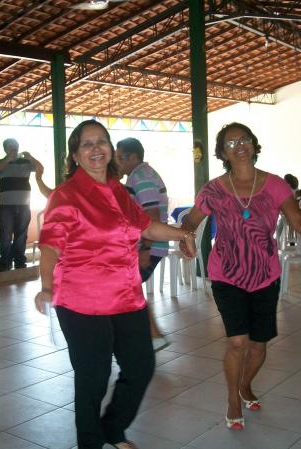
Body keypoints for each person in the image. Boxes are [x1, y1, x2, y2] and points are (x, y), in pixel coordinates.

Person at [34, 120, 196, 449]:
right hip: (82, 301)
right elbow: (50, 246)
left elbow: (146, 226)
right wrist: (47, 286)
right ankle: (92, 442)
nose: (96, 149)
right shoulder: (67, 195)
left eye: (101, 142)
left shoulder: (118, 191)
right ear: (76, 156)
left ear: (111, 149)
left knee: (140, 366)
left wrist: (182, 234)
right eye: (87, 144)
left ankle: (112, 428)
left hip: (125, 295)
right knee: (93, 379)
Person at [180, 123, 301, 430]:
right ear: (222, 153)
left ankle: (245, 384)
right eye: (230, 143)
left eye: (244, 139)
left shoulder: (276, 185)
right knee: (238, 342)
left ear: (254, 145)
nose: (239, 145)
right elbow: (191, 218)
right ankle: (232, 397)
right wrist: (183, 234)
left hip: (265, 274)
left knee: (258, 345)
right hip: (226, 273)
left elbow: (297, 219)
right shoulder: (212, 189)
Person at [115, 137, 170, 351]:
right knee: (130, 287)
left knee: (128, 287)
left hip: (150, 245)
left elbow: (151, 215)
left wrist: (145, 249)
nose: (117, 162)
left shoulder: (141, 177)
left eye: (120, 158)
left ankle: (151, 336)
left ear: (134, 157)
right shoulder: (138, 176)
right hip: (146, 244)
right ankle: (152, 336)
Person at [0, 138, 38, 271]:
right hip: (6, 205)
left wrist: (31, 157)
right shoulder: (0, 163)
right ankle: (5, 262)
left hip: (24, 204)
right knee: (5, 233)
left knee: (21, 233)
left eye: (16, 146)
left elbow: (40, 168)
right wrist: (7, 159)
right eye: (11, 147)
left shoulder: (25, 162)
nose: (14, 149)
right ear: (5, 149)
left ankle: (19, 260)